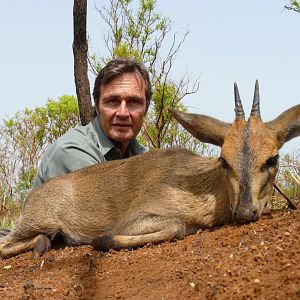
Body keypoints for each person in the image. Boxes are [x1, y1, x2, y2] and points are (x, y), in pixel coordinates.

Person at [32, 58, 152, 188]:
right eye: (112, 101)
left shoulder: (142, 154)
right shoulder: (72, 151)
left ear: (145, 108)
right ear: (97, 107)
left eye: (133, 102)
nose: (122, 113)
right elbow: (107, 203)